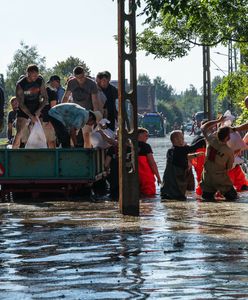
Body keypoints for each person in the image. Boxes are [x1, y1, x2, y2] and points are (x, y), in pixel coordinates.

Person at [200, 116, 237, 201]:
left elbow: (203, 127)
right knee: (233, 199)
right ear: (228, 138)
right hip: (220, 178)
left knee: (207, 200)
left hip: (207, 176)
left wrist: (218, 121)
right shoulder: (228, 151)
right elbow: (229, 167)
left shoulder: (211, 139)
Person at [160, 130, 204, 201]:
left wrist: (195, 155)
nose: (183, 140)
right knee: (178, 198)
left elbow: (182, 157)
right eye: (182, 138)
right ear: (176, 140)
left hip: (167, 185)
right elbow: (194, 147)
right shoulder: (180, 150)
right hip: (175, 183)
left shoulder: (171, 150)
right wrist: (206, 138)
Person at [12, 64, 48, 148]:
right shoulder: (20, 84)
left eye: (37, 75)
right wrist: (30, 116)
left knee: (40, 133)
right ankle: (12, 153)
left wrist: (39, 110)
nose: (35, 77)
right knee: (19, 132)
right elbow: (20, 103)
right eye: (33, 75)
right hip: (24, 110)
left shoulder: (40, 81)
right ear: (28, 73)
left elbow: (45, 98)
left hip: (36, 108)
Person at [137, 127, 161, 196]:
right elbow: (152, 163)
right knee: (149, 197)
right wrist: (158, 177)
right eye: (146, 136)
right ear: (139, 135)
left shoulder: (128, 145)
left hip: (133, 176)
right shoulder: (146, 146)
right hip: (145, 176)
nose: (147, 138)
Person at [40, 83, 58, 148]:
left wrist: (51, 122)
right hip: (42, 121)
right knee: (47, 141)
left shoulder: (51, 92)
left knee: (51, 141)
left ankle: (53, 157)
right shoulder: (38, 93)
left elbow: (54, 108)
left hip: (49, 121)